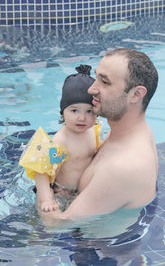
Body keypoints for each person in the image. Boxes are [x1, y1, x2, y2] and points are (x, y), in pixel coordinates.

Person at [39, 48, 159, 227]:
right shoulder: (125, 133)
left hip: (96, 249)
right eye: (97, 77)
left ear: (136, 94)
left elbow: (56, 225)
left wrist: (43, 194)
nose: (91, 88)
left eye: (105, 82)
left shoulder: (122, 167)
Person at [19, 65, 103, 212]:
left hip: (80, 192)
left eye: (89, 111)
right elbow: (41, 172)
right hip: (60, 193)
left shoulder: (94, 132)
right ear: (63, 112)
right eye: (74, 110)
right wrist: (47, 199)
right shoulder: (60, 141)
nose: (82, 118)